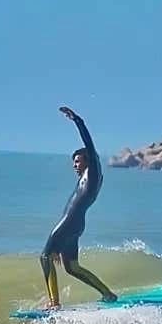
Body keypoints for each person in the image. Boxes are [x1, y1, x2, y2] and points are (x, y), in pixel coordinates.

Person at [40, 106, 117, 309]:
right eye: (73, 162)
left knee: (45, 257)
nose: (75, 165)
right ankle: (107, 294)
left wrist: (77, 120)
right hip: (76, 225)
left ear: (87, 160)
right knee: (72, 267)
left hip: (71, 222)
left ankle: (53, 303)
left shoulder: (93, 172)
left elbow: (89, 145)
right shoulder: (87, 178)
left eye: (78, 161)